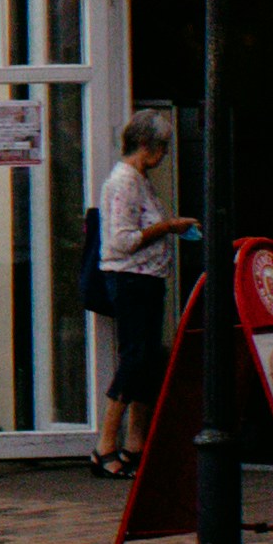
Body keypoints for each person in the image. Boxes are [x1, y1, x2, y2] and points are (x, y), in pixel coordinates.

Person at [90, 117, 195, 475]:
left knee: (148, 358)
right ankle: (105, 444)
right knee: (135, 356)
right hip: (130, 279)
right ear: (145, 146)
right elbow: (122, 240)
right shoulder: (123, 182)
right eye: (162, 147)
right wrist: (169, 227)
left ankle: (137, 443)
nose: (165, 154)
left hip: (147, 278)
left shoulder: (140, 181)